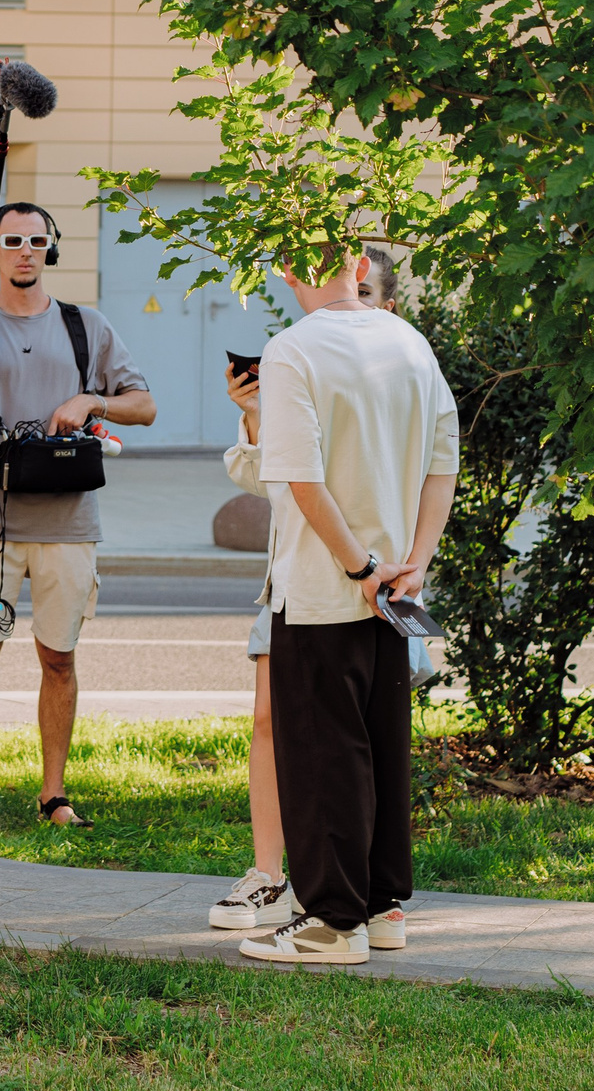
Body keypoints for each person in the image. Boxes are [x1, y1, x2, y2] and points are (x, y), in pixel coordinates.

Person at [237, 244, 455, 965]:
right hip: (393, 595)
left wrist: (360, 565)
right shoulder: (411, 343)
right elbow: (442, 462)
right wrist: (412, 563)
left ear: (290, 272)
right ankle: (383, 908)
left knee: (326, 756)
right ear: (359, 269)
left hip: (327, 591)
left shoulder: (293, 349)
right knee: (380, 748)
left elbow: (299, 477)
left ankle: (333, 923)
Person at [0, 203, 155, 835]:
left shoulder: (85, 326)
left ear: (52, 247)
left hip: (68, 521)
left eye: (36, 240)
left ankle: (54, 793)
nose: (24, 250)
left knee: (59, 659)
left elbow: (145, 405)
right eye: (11, 240)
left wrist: (89, 398)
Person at [210, 246, 405, 931]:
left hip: (363, 579)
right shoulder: (305, 359)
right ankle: (273, 875)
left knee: (353, 736)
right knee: (276, 723)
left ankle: (354, 903)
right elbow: (270, 475)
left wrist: (367, 566)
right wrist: (259, 414)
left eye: (369, 293)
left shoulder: (392, 366)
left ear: (383, 300)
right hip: (295, 577)